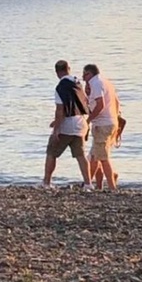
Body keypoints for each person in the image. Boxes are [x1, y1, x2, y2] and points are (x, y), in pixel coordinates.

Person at [43, 60, 93, 190]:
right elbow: (81, 103)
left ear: (56, 72)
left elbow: (61, 110)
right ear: (68, 69)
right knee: (80, 155)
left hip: (67, 124)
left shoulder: (60, 87)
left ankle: (47, 183)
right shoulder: (77, 83)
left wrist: (55, 130)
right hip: (80, 122)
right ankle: (88, 183)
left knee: (51, 152)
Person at [83, 63, 121, 190]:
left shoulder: (96, 83)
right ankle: (92, 184)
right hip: (110, 122)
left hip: (102, 124)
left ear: (91, 73)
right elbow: (116, 102)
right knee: (95, 156)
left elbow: (100, 104)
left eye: (85, 74)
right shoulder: (106, 82)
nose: (83, 77)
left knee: (102, 157)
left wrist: (88, 120)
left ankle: (111, 186)